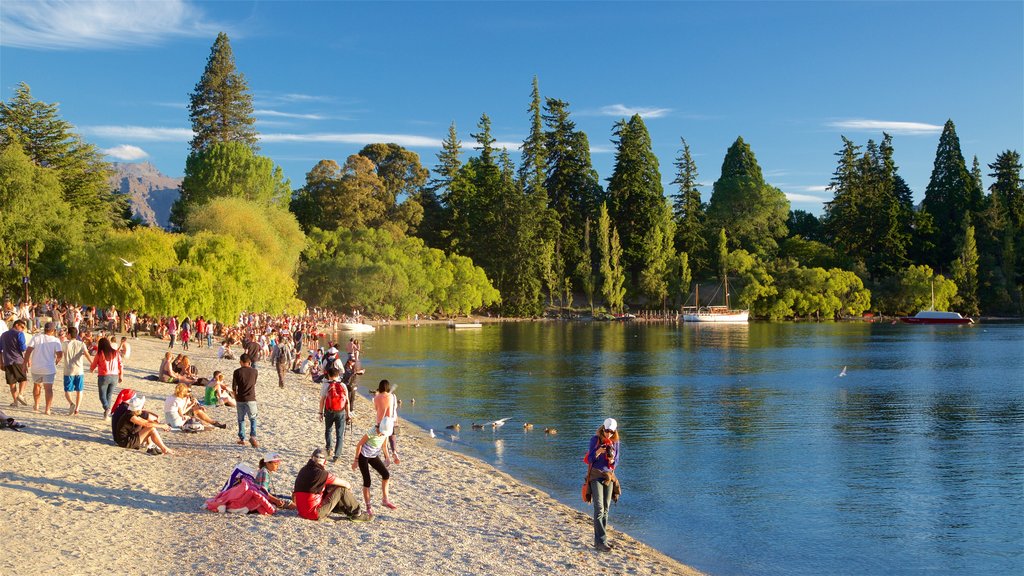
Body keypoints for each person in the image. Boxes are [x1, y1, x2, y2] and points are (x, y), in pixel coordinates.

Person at [293, 448, 366, 521]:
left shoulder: (303, 470)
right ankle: (358, 513)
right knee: (341, 489)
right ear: (324, 461)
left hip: (301, 512)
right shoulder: (322, 474)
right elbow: (346, 484)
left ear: (311, 457)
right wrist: (348, 492)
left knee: (329, 487)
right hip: (314, 513)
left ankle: (340, 508)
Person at [351, 415, 399, 517]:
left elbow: (384, 445)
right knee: (367, 481)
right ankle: (368, 507)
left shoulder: (385, 433)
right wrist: (356, 461)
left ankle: (385, 500)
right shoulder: (372, 431)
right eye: (382, 432)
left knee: (386, 475)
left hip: (373, 456)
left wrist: (387, 457)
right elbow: (359, 444)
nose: (382, 434)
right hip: (363, 456)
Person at [586, 418, 622, 552]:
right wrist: (598, 452)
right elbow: (589, 459)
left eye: (612, 432)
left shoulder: (616, 443)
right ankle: (600, 541)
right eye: (607, 431)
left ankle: (602, 540)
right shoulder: (595, 440)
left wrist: (612, 460)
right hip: (595, 475)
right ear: (603, 429)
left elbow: (616, 462)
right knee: (599, 508)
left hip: (609, 476)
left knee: (606, 509)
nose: (609, 434)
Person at [25, 321, 64, 413]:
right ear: (53, 330)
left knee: (37, 385)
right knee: (48, 389)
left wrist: (24, 363)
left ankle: (37, 405)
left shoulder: (36, 337)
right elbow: (59, 354)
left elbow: (28, 350)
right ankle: (47, 409)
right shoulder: (55, 340)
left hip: (36, 366)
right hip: (49, 368)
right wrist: (57, 360)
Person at [319, 367, 351, 462]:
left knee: (328, 430)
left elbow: (322, 400)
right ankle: (337, 455)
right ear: (338, 375)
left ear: (329, 375)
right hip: (340, 412)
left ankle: (329, 449)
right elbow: (347, 401)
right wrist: (348, 414)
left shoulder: (326, 385)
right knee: (339, 434)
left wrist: (320, 413)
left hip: (329, 411)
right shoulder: (343, 385)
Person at [89, 337, 122, 420]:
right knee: (109, 395)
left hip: (104, 376)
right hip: (115, 376)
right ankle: (106, 414)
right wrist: (121, 375)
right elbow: (120, 364)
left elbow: (94, 364)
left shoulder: (100, 354)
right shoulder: (116, 353)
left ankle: (107, 409)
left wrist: (91, 369)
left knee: (102, 396)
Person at [61, 326, 92, 415]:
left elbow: (60, 354)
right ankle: (77, 408)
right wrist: (92, 363)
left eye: (67, 333)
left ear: (69, 334)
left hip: (68, 371)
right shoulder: (81, 344)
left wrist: (56, 360)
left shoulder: (65, 344)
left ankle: (71, 403)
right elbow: (86, 354)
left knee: (67, 390)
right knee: (79, 390)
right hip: (79, 370)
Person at [0, 319, 29, 407]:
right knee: (23, 379)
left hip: (7, 361)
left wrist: (1, 362)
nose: (23, 329)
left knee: (12, 382)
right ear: (16, 325)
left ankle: (15, 402)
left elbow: (0, 350)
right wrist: (27, 360)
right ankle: (20, 394)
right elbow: (23, 348)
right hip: (18, 360)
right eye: (22, 327)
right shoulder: (19, 334)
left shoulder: (3, 335)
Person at [232, 353, 259, 447]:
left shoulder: (237, 372)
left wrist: (236, 398)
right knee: (253, 418)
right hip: (251, 397)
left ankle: (242, 438)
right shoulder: (255, 371)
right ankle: (253, 436)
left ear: (241, 362)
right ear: (249, 362)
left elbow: (234, 387)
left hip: (240, 398)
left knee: (241, 419)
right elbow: (254, 383)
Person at [373, 379, 399, 462]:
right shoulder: (392, 396)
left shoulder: (376, 397)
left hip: (381, 421)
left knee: (384, 441)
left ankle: (387, 458)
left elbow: (376, 409)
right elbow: (395, 408)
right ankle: (394, 451)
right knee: (392, 437)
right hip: (392, 420)